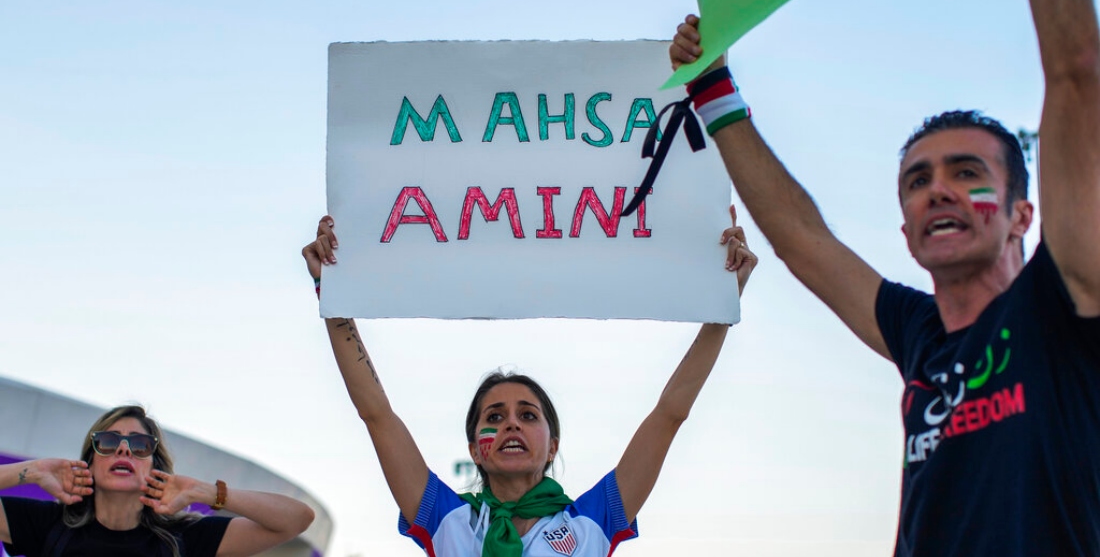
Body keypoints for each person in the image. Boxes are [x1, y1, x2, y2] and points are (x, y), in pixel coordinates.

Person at [668, 0, 1100, 555]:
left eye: (967, 172)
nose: (938, 191)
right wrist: (711, 89)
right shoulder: (917, 333)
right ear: (907, 232)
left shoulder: (1065, 298)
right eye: (918, 181)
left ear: (1023, 215)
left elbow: (1076, 73)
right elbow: (803, 242)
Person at [301, 205, 757, 556]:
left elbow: (669, 415)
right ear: (475, 446)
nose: (511, 425)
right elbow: (377, 415)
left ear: (553, 445)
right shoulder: (446, 519)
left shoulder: (594, 520)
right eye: (494, 417)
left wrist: (720, 308)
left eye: (527, 415)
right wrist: (334, 297)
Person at [0, 405, 315, 557]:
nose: (124, 448)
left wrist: (205, 492)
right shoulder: (49, 525)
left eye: (140, 445)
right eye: (109, 442)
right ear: (90, 463)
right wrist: (33, 470)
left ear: (155, 468)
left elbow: (297, 518)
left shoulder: (182, 538)